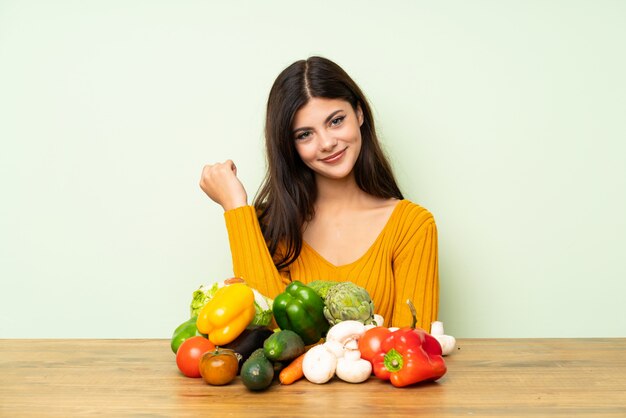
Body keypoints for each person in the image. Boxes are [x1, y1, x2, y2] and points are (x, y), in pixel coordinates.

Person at [200, 56, 438, 330]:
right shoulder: (271, 224)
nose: (326, 143)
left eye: (336, 121)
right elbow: (270, 335)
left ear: (359, 113)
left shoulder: (413, 227)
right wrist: (235, 208)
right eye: (305, 135)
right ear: (289, 145)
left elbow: (413, 349)